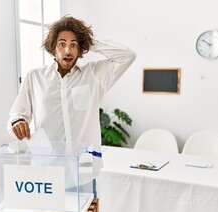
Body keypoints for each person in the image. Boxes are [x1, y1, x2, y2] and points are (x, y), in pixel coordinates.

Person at [7, 15, 136, 195]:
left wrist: (89, 42)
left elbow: (128, 56)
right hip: (47, 171)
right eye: (62, 44)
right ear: (53, 47)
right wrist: (18, 122)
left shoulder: (94, 75)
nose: (68, 50)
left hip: (83, 171)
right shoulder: (35, 77)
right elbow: (17, 113)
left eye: (74, 45)